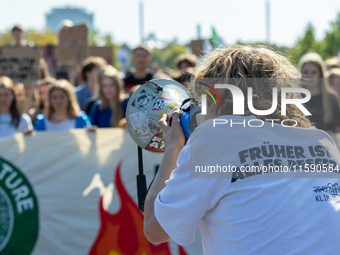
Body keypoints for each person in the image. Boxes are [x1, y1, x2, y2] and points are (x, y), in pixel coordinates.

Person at [143, 45, 340, 254]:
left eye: (204, 100)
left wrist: (173, 147)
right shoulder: (322, 143)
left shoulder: (214, 140)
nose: (200, 112)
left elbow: (155, 231)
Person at [299, 52, 340, 133]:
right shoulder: (293, 97)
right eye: (306, 72)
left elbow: (338, 129)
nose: (309, 76)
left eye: (314, 72)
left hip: (325, 145)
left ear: (321, 74)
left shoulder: (331, 98)